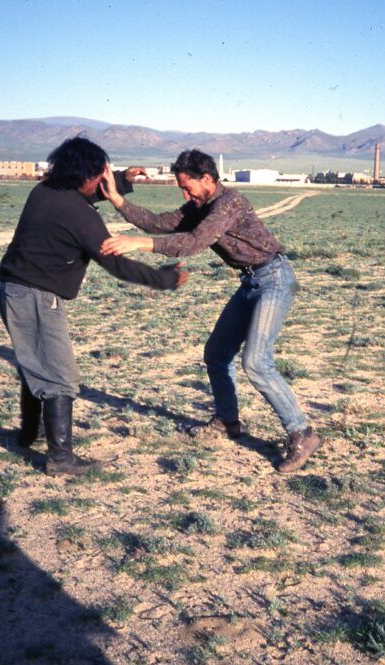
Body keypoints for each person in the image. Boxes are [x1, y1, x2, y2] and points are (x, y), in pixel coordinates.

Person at [99, 149, 322, 473]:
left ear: (207, 179)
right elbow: (161, 223)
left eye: (188, 188)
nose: (185, 194)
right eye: (181, 189)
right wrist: (119, 200)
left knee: (256, 361)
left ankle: (302, 433)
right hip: (251, 281)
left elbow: (192, 242)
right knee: (217, 353)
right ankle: (227, 420)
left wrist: (138, 244)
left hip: (274, 278)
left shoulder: (228, 204)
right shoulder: (201, 205)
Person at [0, 136, 188, 476]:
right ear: (86, 174)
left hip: (14, 288)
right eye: (102, 173)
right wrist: (164, 279)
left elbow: (83, 193)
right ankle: (60, 459)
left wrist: (123, 181)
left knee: (35, 362)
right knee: (58, 375)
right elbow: (115, 263)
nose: (104, 178)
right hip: (36, 296)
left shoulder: (45, 191)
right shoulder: (78, 213)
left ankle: (31, 433)